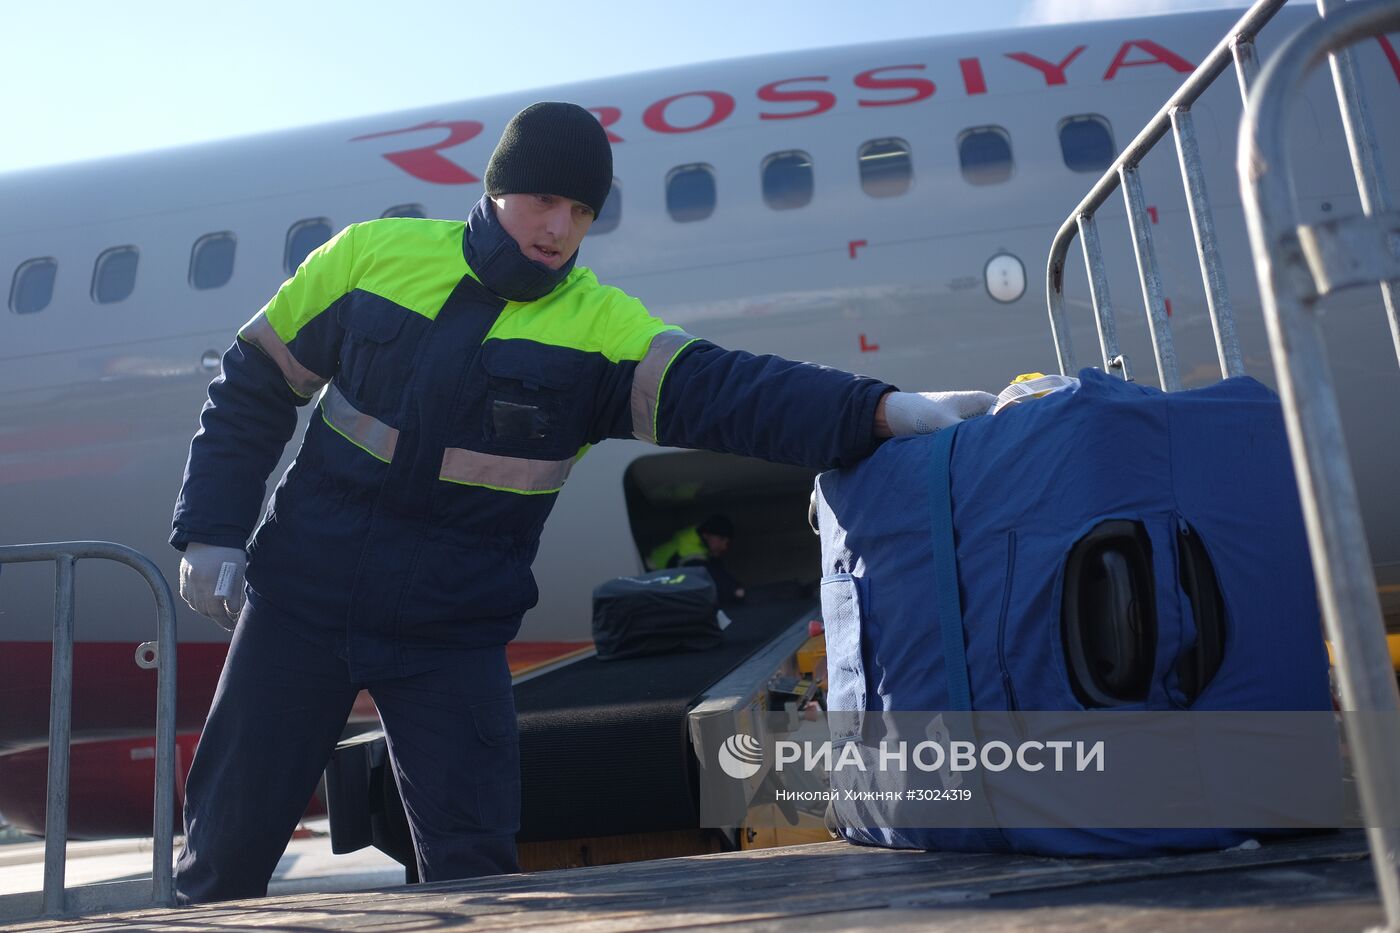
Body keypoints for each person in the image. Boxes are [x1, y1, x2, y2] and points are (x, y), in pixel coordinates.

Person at [171, 101, 995, 904]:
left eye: (581, 211)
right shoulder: (368, 259)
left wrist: (881, 411)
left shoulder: (598, 328)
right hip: (299, 607)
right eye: (543, 199)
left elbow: (731, 391)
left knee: (480, 878)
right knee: (221, 859)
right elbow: (252, 383)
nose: (559, 228)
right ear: (497, 188)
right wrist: (211, 529)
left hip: (447, 634)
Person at [648, 514, 745, 605]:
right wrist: (734, 591)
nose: (724, 547)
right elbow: (710, 577)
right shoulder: (689, 552)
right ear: (707, 535)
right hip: (651, 580)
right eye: (722, 540)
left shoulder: (699, 538)